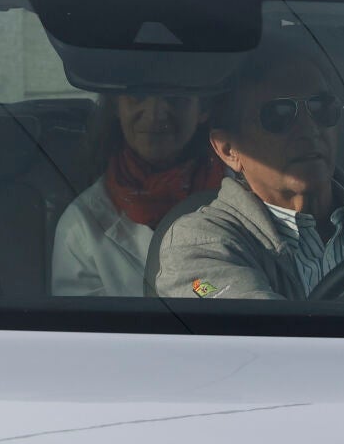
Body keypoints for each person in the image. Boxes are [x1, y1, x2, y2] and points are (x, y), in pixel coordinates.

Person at [154, 44, 344, 300]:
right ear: (229, 149)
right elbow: (254, 333)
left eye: (322, 108)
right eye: (278, 115)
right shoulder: (199, 247)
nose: (310, 129)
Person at [51, 93, 226, 296]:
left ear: (203, 109)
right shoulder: (82, 224)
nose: (154, 115)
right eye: (138, 95)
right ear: (116, 106)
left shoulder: (244, 195)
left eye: (174, 97)